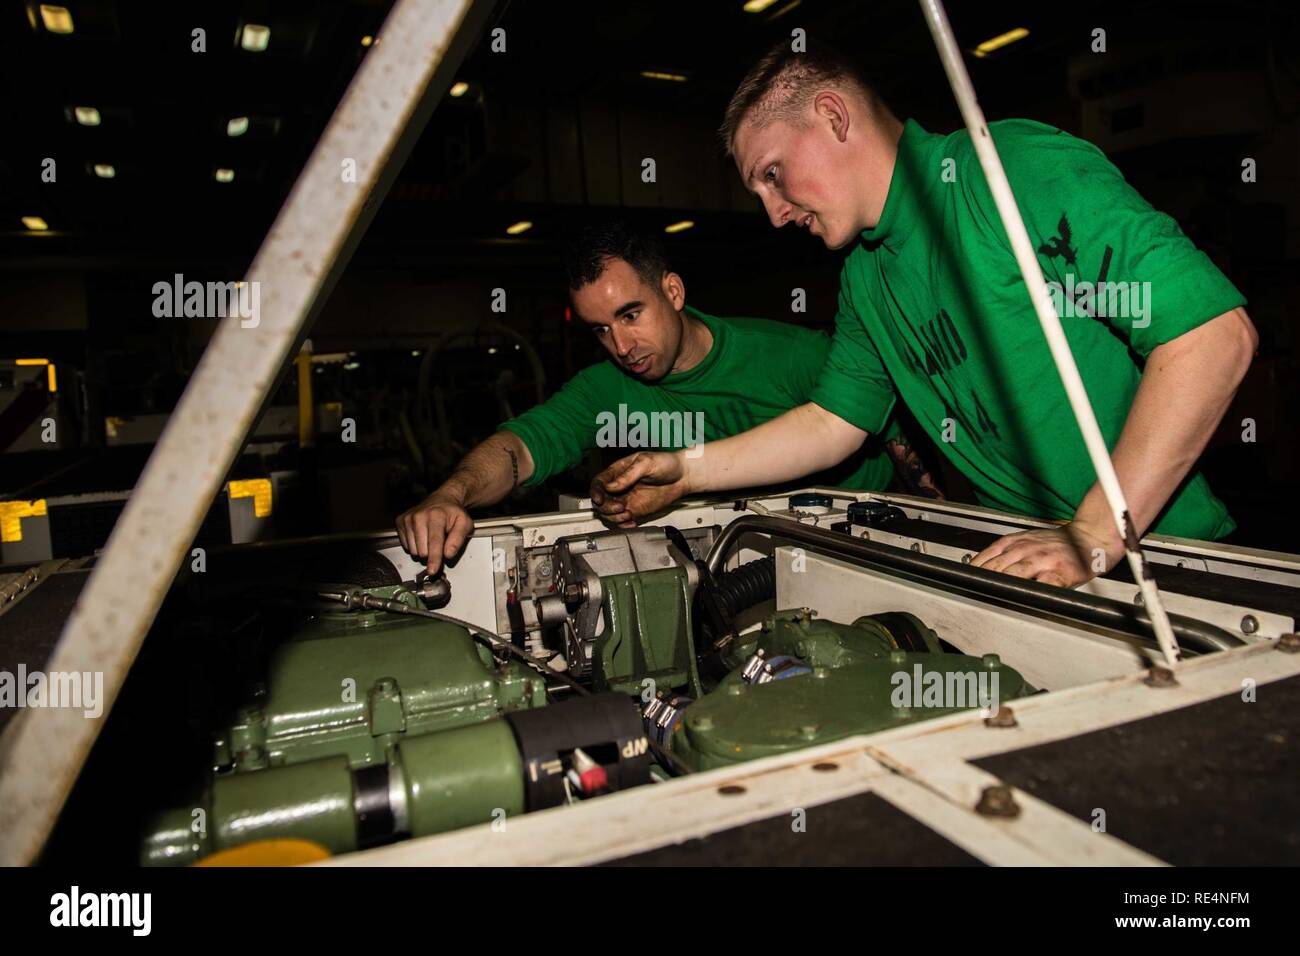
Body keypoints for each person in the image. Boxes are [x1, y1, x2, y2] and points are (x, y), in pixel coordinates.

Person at [591, 41, 1257, 589]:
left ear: (832, 116)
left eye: (773, 174)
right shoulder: (864, 276)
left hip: (1171, 566)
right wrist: (687, 470)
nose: (775, 212)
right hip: (1029, 566)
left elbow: (1213, 335)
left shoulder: (1012, 171)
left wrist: (1092, 535)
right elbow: (832, 424)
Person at [396, 222, 937, 574]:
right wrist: (452, 492)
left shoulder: (792, 355)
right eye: (600, 329)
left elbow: (902, 439)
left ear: (673, 292)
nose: (621, 345)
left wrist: (935, 530)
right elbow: (520, 448)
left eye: (631, 314)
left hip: (864, 546)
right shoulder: (604, 391)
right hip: (737, 564)